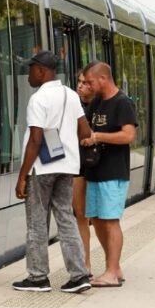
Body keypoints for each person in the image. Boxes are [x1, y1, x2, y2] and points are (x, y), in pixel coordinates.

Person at [13, 51, 93, 293]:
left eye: (30, 70)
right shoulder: (71, 95)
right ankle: (79, 275)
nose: (28, 75)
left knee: (37, 222)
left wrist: (22, 177)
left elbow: (36, 140)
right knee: (66, 219)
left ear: (41, 70)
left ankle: (38, 277)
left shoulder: (38, 100)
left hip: (42, 168)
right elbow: (85, 132)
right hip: (67, 166)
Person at [80, 61, 138, 288]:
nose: (88, 86)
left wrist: (98, 137)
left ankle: (112, 272)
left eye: (90, 82)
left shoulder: (123, 103)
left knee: (111, 221)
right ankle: (112, 266)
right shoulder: (96, 103)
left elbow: (128, 136)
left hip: (113, 171)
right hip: (94, 170)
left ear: (103, 78)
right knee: (97, 219)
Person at [73, 69, 96, 275]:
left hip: (100, 166)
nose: (80, 86)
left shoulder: (102, 105)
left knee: (100, 218)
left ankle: (113, 265)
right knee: (80, 214)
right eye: (79, 82)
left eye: (85, 83)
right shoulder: (73, 104)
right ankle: (85, 263)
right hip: (78, 166)